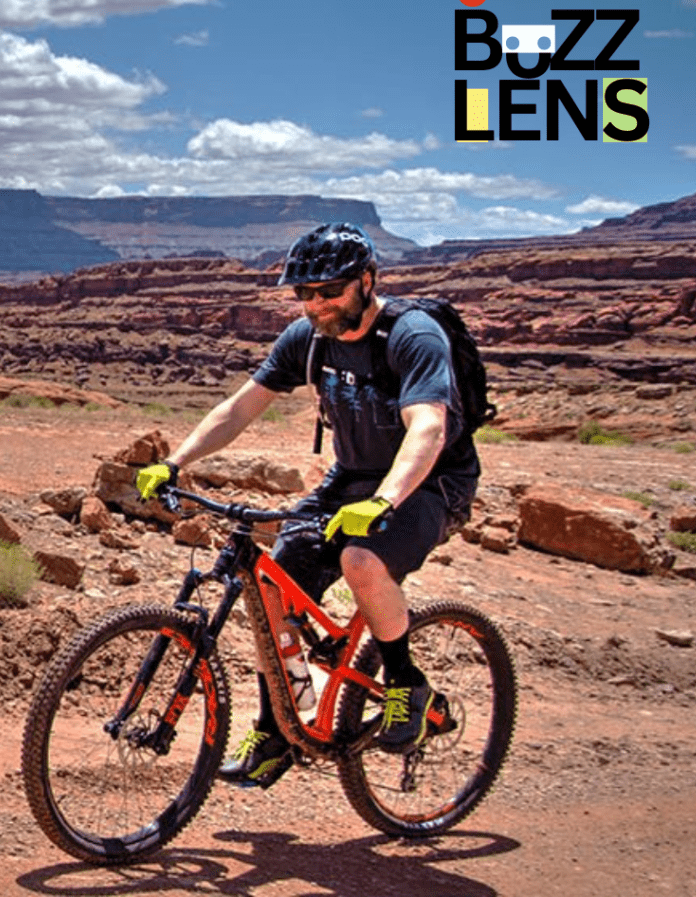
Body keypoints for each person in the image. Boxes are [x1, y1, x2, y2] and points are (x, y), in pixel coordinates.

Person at [136, 222, 480, 789]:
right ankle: (278, 733)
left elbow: (428, 427)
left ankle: (406, 686)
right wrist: (176, 460)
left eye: (330, 291)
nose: (316, 303)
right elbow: (239, 409)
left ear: (367, 281)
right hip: (351, 476)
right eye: (305, 293)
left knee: (362, 560)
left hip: (430, 481)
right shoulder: (307, 337)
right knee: (272, 584)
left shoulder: (413, 336)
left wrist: (385, 500)